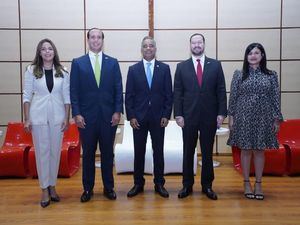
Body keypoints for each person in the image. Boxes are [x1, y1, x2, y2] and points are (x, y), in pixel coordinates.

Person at [70, 28, 123, 202]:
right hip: (86, 119)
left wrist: (117, 111)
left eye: (99, 37)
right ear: (88, 40)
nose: (95, 40)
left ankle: (109, 187)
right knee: (88, 155)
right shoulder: (78, 63)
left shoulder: (113, 62)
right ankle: (87, 189)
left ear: (102, 40)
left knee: (108, 154)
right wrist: (76, 114)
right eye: (92, 37)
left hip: (109, 118)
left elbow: (118, 89)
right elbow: (74, 91)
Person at [173, 33, 227, 200]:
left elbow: (221, 91)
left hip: (209, 117)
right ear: (190, 45)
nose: (197, 45)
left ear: (204, 44)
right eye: (194, 43)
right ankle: (187, 185)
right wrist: (179, 115)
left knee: (207, 153)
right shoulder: (181, 67)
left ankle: (207, 186)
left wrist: (221, 113)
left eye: (199, 42)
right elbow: (178, 93)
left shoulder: (216, 65)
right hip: (188, 117)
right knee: (188, 152)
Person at [227, 43, 283, 200]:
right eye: (250, 53)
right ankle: (246, 183)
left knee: (259, 150)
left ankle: (258, 183)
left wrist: (277, 119)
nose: (253, 56)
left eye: (256, 53)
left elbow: (275, 98)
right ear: (246, 56)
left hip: (264, 116)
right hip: (243, 115)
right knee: (245, 150)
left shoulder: (271, 75)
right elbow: (233, 97)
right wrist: (231, 117)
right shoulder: (239, 74)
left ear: (262, 55)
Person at [23, 38, 70, 208]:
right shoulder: (31, 70)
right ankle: (44, 189)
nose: (47, 51)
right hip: (38, 116)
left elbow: (67, 97)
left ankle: (52, 186)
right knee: (42, 152)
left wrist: (66, 117)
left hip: (58, 117)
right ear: (40, 52)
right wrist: (27, 118)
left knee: (54, 152)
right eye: (44, 49)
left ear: (54, 51)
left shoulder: (63, 71)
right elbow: (27, 96)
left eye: (50, 48)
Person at [125, 36, 173, 198]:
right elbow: (129, 96)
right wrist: (131, 116)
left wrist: (167, 114)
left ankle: (159, 183)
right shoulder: (133, 70)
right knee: (139, 151)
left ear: (155, 48)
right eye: (145, 46)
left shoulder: (164, 69)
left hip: (159, 118)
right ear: (141, 49)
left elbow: (169, 95)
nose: (148, 48)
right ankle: (138, 183)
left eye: (151, 45)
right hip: (138, 118)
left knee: (158, 151)